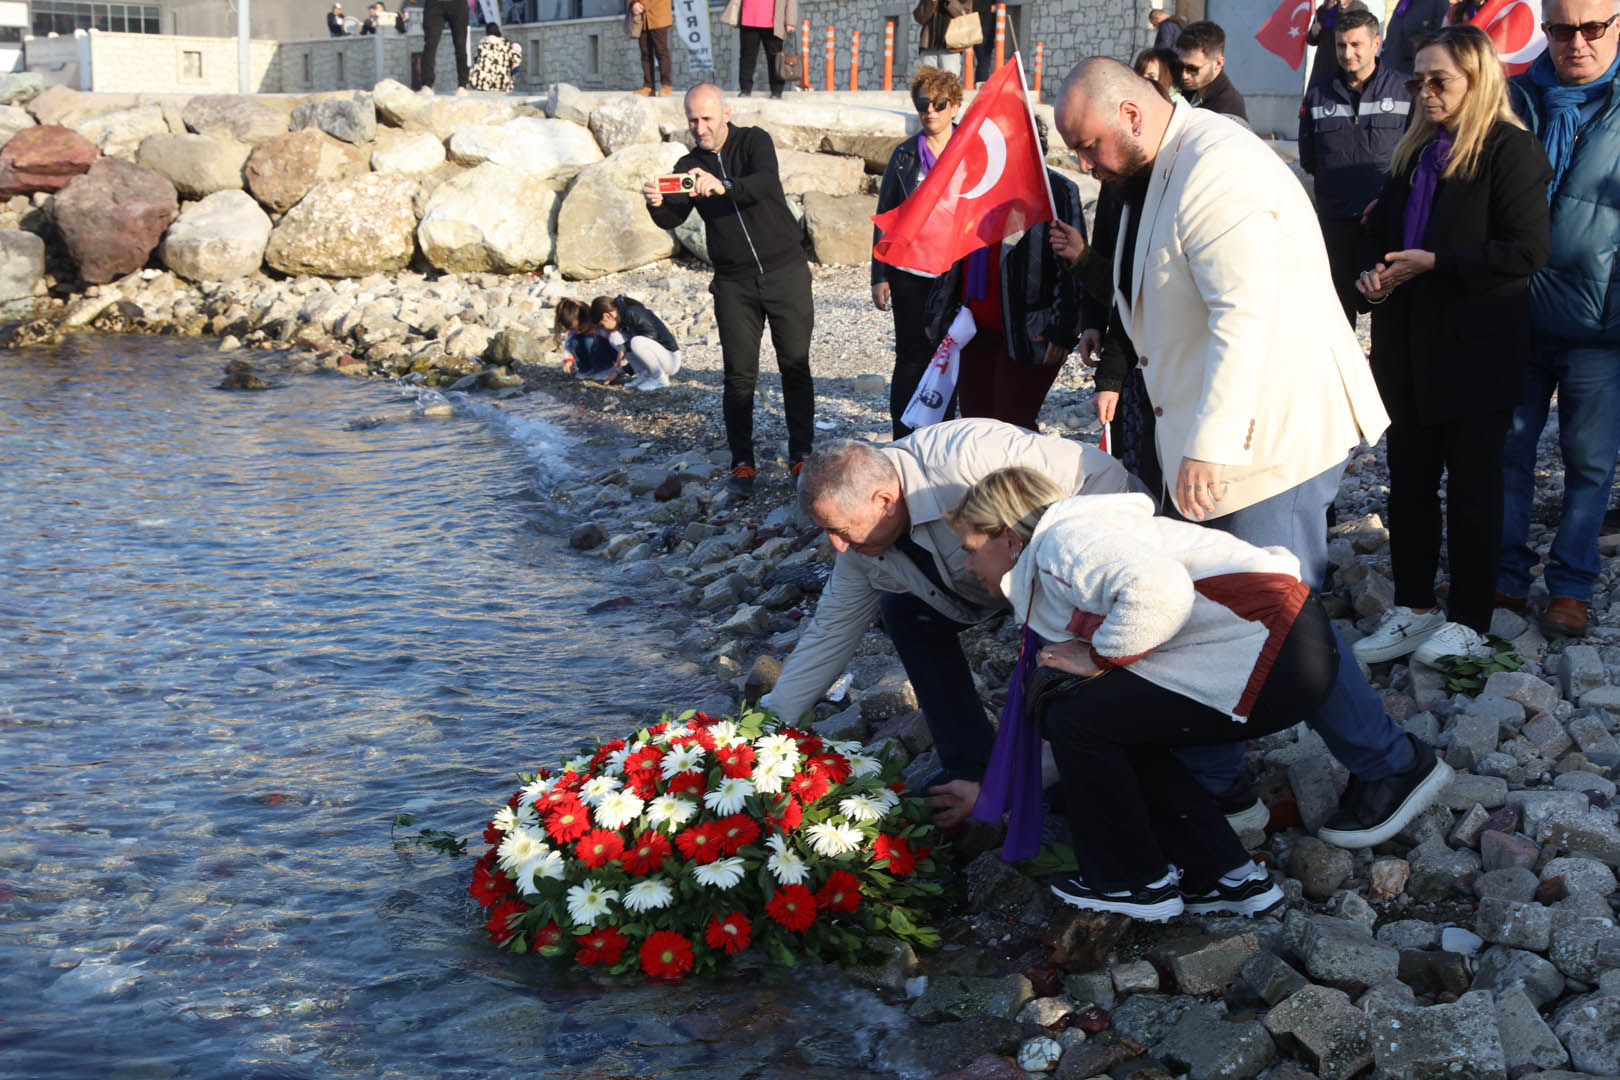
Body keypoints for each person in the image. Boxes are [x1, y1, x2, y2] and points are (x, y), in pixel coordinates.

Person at [1052, 58, 1453, 849]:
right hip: (1217, 436)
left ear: (1132, 114)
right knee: (1232, 608)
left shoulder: (1218, 167)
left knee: (1279, 614)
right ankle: (1214, 782)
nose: (1082, 163)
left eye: (1087, 144)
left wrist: (1206, 445)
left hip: (1268, 434)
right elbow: (1150, 306)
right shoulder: (1153, 168)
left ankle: (1391, 762)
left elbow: (1247, 317)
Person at [950, 466, 1335, 919]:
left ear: (1011, 538)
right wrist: (1002, 794)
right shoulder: (1079, 542)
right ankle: (1226, 876)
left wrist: (1098, 659)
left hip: (1270, 650)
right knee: (1105, 719)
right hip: (1289, 649)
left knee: (1074, 713)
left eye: (971, 549)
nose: (967, 566)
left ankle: (1130, 881)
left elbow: (1160, 589)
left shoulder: (1061, 543)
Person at [757, 420, 1139, 816]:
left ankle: (1065, 770)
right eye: (825, 531)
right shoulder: (858, 542)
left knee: (1061, 671)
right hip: (990, 582)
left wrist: (1085, 602)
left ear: (884, 501)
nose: (836, 545)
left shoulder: (968, 460)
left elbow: (1102, 476)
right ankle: (970, 771)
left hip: (1078, 573)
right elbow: (829, 631)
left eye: (840, 530)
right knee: (904, 612)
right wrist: (762, 732)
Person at [1352, 26, 1551, 665]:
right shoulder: (1413, 152)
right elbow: (1380, 236)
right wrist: (1373, 277)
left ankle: (1470, 615)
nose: (1425, 92)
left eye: (1440, 81)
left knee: (1471, 489)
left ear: (1478, 80)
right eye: (1417, 80)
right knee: (1407, 484)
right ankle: (1413, 606)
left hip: (1476, 351)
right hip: (1408, 347)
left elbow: (1525, 251)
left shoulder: (1509, 151)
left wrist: (1436, 263)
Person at [1496, 0, 1620, 640]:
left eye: (1592, 28)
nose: (1577, 42)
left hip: (1599, 327)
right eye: (1562, 28)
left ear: (1617, 25)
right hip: (1515, 315)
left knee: (1590, 462)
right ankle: (1505, 576)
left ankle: (1571, 585)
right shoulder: (1511, 98)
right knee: (1506, 453)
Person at [642, 84, 814, 496]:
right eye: (692, 121)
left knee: (794, 365)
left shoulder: (754, 141)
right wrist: (655, 203)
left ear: (725, 113)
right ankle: (742, 464)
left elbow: (765, 183)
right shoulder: (688, 165)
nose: (700, 128)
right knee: (739, 376)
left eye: (706, 119)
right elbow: (672, 217)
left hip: (785, 270)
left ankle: (802, 455)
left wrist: (723, 185)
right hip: (734, 283)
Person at [920, 118, 1097, 432]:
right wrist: (936, 313)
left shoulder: (1055, 190)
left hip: (1029, 329)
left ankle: (1016, 482)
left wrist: (1062, 328)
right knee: (974, 424)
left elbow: (1071, 265)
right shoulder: (971, 186)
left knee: (1012, 426)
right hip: (971, 328)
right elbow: (948, 257)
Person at [1299, 9, 1415, 325]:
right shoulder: (1318, 92)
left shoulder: (1404, 90)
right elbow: (1308, 156)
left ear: (1376, 43)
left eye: (1356, 45)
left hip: (1385, 224)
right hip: (1336, 225)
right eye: (1341, 45)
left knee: (1390, 319)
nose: (1347, 53)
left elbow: (1415, 156)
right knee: (1335, 319)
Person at [873, 66, 963, 439]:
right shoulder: (905, 155)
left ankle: (941, 437)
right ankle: (903, 439)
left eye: (939, 104)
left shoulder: (970, 151)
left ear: (954, 106)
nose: (931, 111)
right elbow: (886, 215)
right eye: (923, 104)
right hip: (909, 272)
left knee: (950, 357)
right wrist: (879, 275)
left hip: (956, 272)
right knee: (910, 359)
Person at [591, 294, 682, 390]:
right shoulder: (622, 320)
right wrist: (620, 371)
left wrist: (625, 346)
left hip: (671, 359)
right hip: (659, 358)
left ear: (606, 316)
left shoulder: (631, 312)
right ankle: (644, 375)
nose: (604, 329)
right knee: (615, 337)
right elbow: (641, 354)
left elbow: (651, 335)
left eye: (602, 325)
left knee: (636, 342)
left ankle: (660, 379)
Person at [1176, 21, 1248, 122]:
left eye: (1192, 69)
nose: (1184, 75)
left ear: (1218, 63)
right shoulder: (1185, 90)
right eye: (1179, 65)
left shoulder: (1228, 107)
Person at [732, 0, 796, 98]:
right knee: (747, 57)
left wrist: (790, 21)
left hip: (774, 21)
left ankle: (776, 91)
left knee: (775, 58)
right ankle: (745, 89)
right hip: (748, 17)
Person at [553, 298, 625, 382]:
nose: (578, 331)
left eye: (580, 328)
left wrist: (596, 332)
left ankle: (605, 369)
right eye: (574, 329)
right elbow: (568, 344)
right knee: (574, 340)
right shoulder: (576, 328)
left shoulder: (598, 319)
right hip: (593, 353)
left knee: (589, 340)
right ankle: (586, 369)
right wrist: (569, 361)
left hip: (612, 352)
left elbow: (614, 336)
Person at [1305, 0, 1371, 89]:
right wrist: (1314, 32)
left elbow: (1358, 33)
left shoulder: (1359, 7)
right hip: (1323, 64)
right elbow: (1311, 40)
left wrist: (1342, 7)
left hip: (1345, 62)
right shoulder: (1323, 9)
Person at [1385, 0, 1452, 74]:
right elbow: (1393, 34)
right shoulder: (1404, 3)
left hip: (1414, 71)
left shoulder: (1439, 3)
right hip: (1390, 69)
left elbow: (1442, 36)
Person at [420, 0, 472, 92]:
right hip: (434, 4)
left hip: (457, 4)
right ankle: (427, 85)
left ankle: (463, 85)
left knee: (460, 45)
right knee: (430, 44)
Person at [631, 0, 674, 97]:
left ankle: (666, 85)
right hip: (642, 17)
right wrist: (633, 3)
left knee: (661, 51)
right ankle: (648, 87)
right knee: (645, 52)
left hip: (658, 15)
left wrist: (640, 3)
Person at [468, 23, 522, 91]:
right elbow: (517, 59)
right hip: (502, 82)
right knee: (514, 64)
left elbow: (476, 60)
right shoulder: (505, 44)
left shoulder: (481, 45)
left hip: (483, 82)